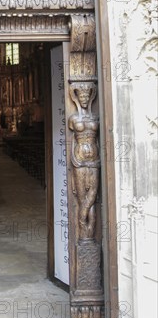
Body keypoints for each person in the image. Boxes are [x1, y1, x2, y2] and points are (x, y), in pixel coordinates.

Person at [68, 82, 100, 240]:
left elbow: (99, 141)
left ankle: (89, 230)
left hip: (94, 159)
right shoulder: (73, 118)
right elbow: (72, 140)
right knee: (82, 197)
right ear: (76, 98)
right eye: (81, 96)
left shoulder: (96, 117)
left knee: (93, 194)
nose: (84, 99)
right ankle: (84, 233)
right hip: (79, 159)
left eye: (87, 95)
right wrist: (74, 159)